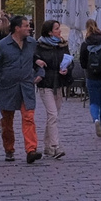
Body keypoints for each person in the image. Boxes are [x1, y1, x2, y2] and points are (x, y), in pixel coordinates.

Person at [0, 15, 41, 162]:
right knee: (7, 123)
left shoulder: (32, 43)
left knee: (29, 118)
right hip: (8, 88)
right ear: (17, 28)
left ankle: (31, 150)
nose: (29, 28)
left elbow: (36, 61)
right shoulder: (2, 45)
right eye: (26, 26)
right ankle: (9, 149)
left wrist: (40, 72)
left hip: (26, 87)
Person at [34, 19, 70, 158]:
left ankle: (47, 146)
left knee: (53, 116)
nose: (60, 31)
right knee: (53, 115)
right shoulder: (39, 45)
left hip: (58, 83)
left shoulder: (62, 44)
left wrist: (67, 68)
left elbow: (69, 60)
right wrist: (37, 62)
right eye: (56, 29)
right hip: (46, 84)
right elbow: (32, 59)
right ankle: (56, 146)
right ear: (49, 32)